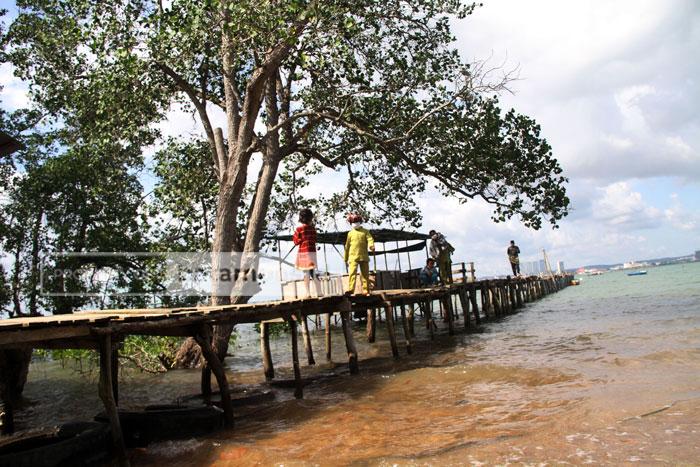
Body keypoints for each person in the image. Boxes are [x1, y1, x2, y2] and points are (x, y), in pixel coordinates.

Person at [293, 208, 323, 297]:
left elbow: (295, 242)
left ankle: (308, 293)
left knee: (306, 273)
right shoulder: (313, 229)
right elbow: (315, 239)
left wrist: (302, 239)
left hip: (303, 253)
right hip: (312, 253)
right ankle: (319, 292)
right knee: (313, 272)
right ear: (310, 218)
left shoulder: (299, 229)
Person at [344, 213, 374, 295]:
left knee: (365, 274)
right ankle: (351, 289)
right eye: (353, 222)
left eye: (356, 222)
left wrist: (371, 246)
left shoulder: (365, 231)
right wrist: (345, 258)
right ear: (350, 223)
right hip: (352, 257)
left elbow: (370, 239)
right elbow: (347, 246)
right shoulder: (350, 233)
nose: (354, 224)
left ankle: (366, 289)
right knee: (352, 273)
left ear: (360, 222)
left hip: (363, 256)